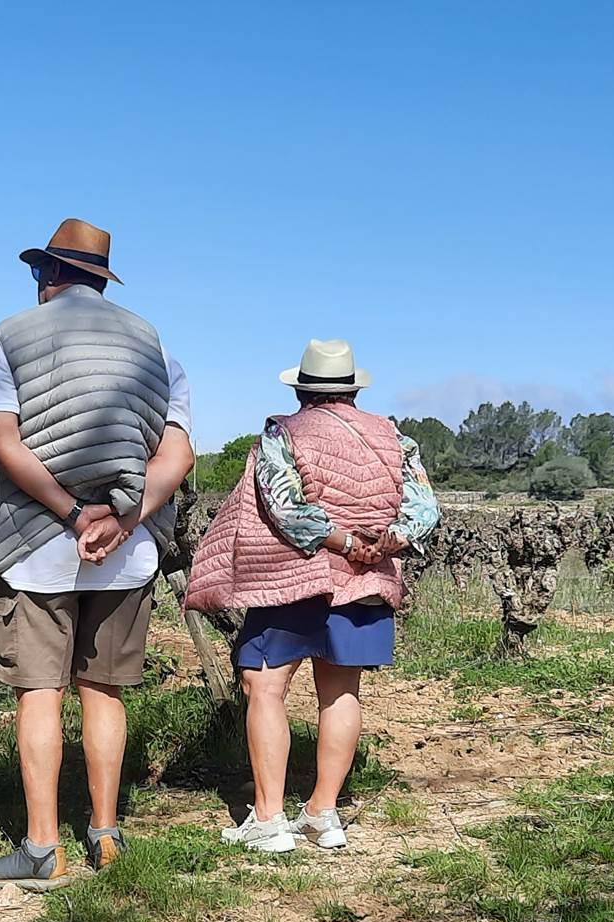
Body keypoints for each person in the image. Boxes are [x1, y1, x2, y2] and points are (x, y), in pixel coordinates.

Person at [0, 218, 195, 891]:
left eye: (39, 271)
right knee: (104, 692)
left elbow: (1, 440)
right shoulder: (155, 345)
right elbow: (178, 454)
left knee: (41, 693)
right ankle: (105, 834)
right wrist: (122, 517)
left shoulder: (11, 337)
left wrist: (71, 512)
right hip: (127, 552)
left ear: (52, 274)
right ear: (101, 280)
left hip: (36, 546)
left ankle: (42, 848)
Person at [185, 340, 440, 852]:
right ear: (354, 390)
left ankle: (268, 819)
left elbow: (284, 507)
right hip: (367, 582)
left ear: (301, 390)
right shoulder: (396, 438)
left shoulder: (284, 432)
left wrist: (342, 541)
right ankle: (324, 813)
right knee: (341, 691)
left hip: (294, 579)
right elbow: (423, 508)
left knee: (264, 685)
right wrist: (385, 542)